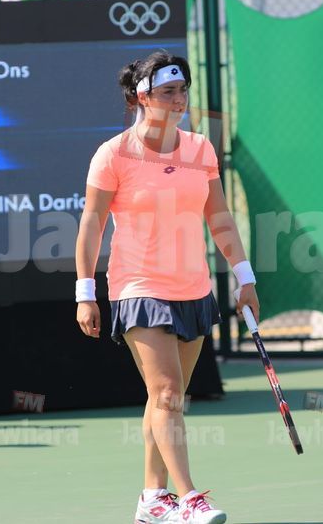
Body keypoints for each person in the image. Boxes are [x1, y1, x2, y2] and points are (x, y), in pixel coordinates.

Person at [74, 51, 258, 524]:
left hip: (193, 289)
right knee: (168, 392)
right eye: (168, 92)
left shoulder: (201, 149)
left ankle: (152, 499)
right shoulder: (113, 154)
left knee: (164, 399)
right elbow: (92, 225)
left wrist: (245, 277)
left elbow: (219, 218)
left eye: (183, 91)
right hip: (138, 287)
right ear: (142, 97)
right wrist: (85, 292)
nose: (179, 100)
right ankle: (189, 498)